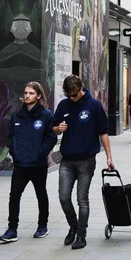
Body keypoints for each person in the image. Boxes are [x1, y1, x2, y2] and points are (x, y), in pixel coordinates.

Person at [53, 75, 115, 250]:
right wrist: (58, 129)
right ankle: (73, 225)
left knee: (82, 199)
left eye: (75, 94)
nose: (73, 98)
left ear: (81, 88)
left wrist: (109, 157)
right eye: (70, 95)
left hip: (86, 160)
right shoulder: (63, 105)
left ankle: (81, 234)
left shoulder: (94, 105)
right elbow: (54, 128)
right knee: (63, 197)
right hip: (67, 160)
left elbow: (103, 132)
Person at [0, 82, 57, 243]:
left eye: (31, 93)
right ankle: (12, 230)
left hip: (38, 164)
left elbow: (51, 137)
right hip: (20, 164)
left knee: (41, 195)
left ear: (38, 96)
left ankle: (42, 226)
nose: (27, 96)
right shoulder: (16, 116)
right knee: (14, 196)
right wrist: (14, 153)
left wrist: (41, 153)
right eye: (25, 93)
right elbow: (10, 137)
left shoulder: (46, 115)